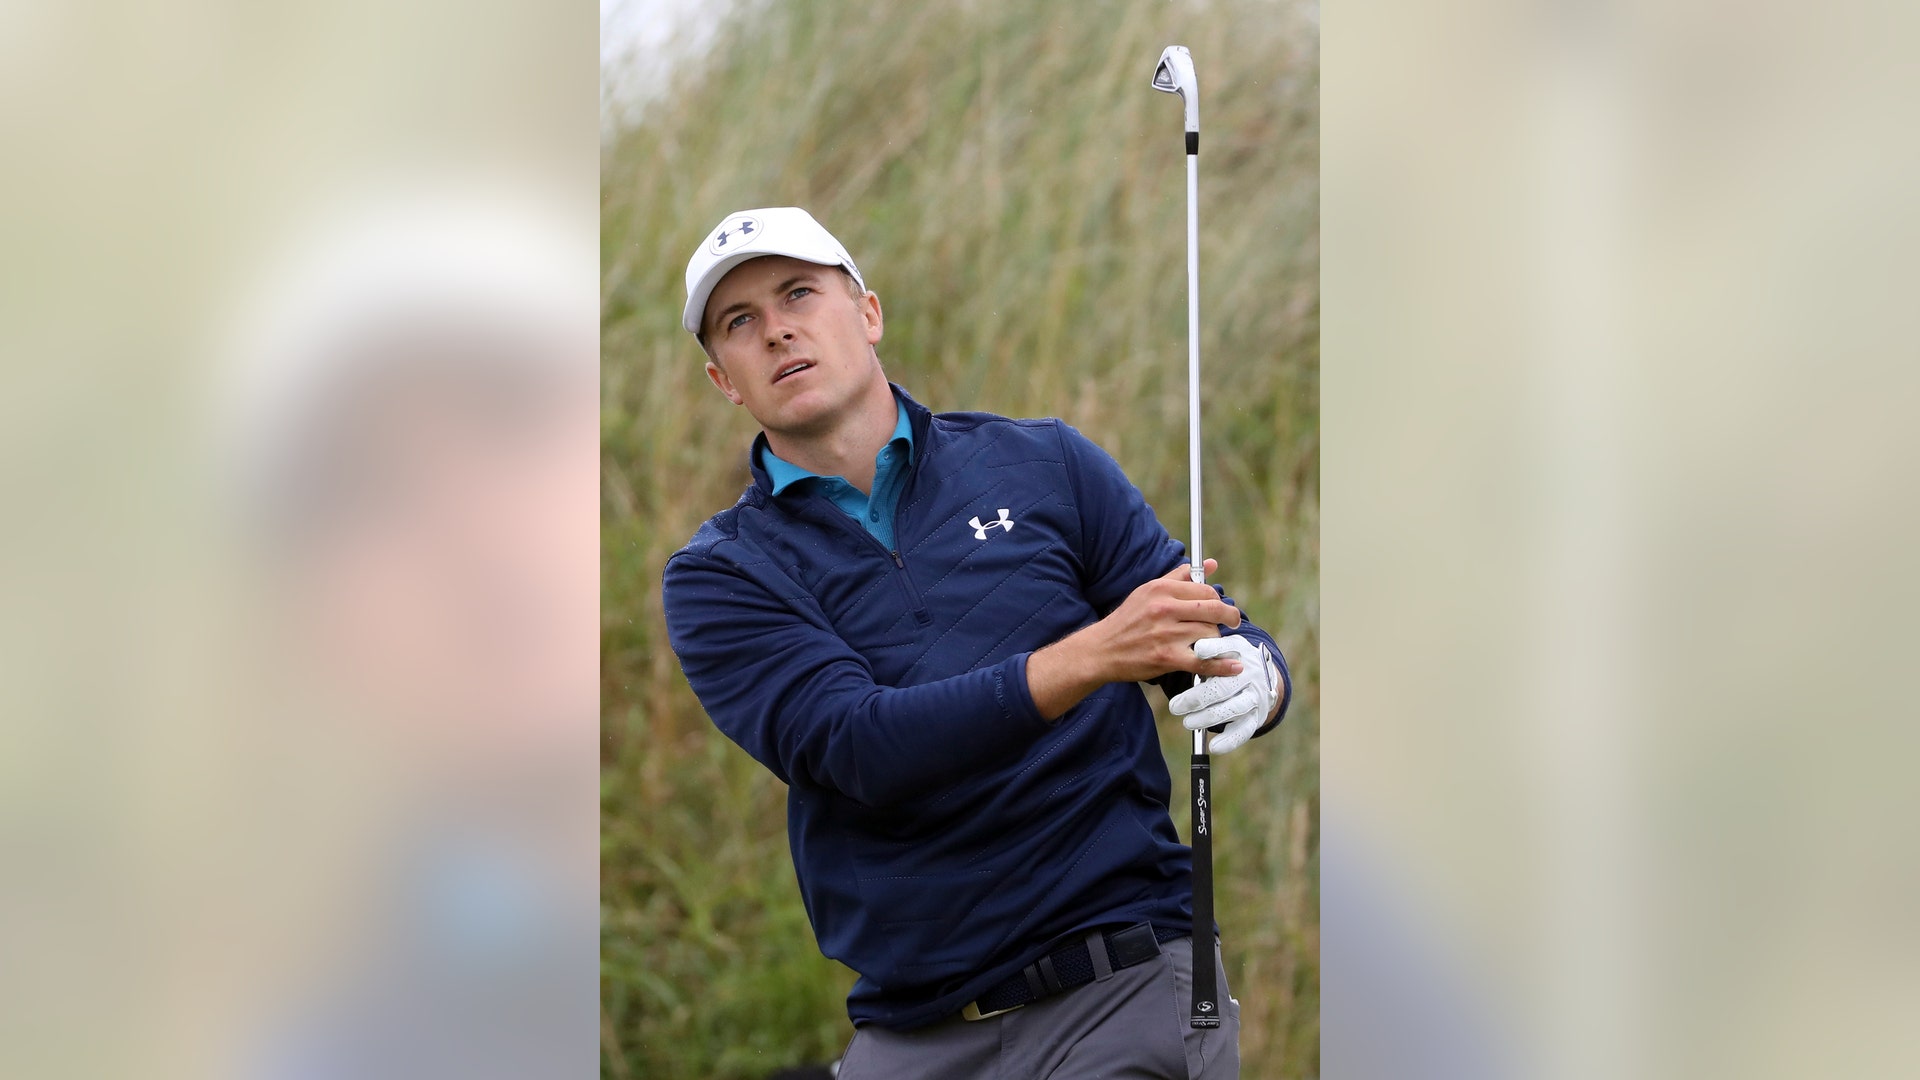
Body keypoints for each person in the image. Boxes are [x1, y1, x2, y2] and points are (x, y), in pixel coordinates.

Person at [662, 207, 1291, 1079]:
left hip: (1124, 982)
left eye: (798, 293)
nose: (777, 331)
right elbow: (857, 745)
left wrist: (1255, 674)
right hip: (918, 1029)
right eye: (740, 323)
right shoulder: (722, 574)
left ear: (868, 313)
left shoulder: (1046, 465)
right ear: (723, 379)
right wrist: (1095, 655)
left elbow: (1198, 626)